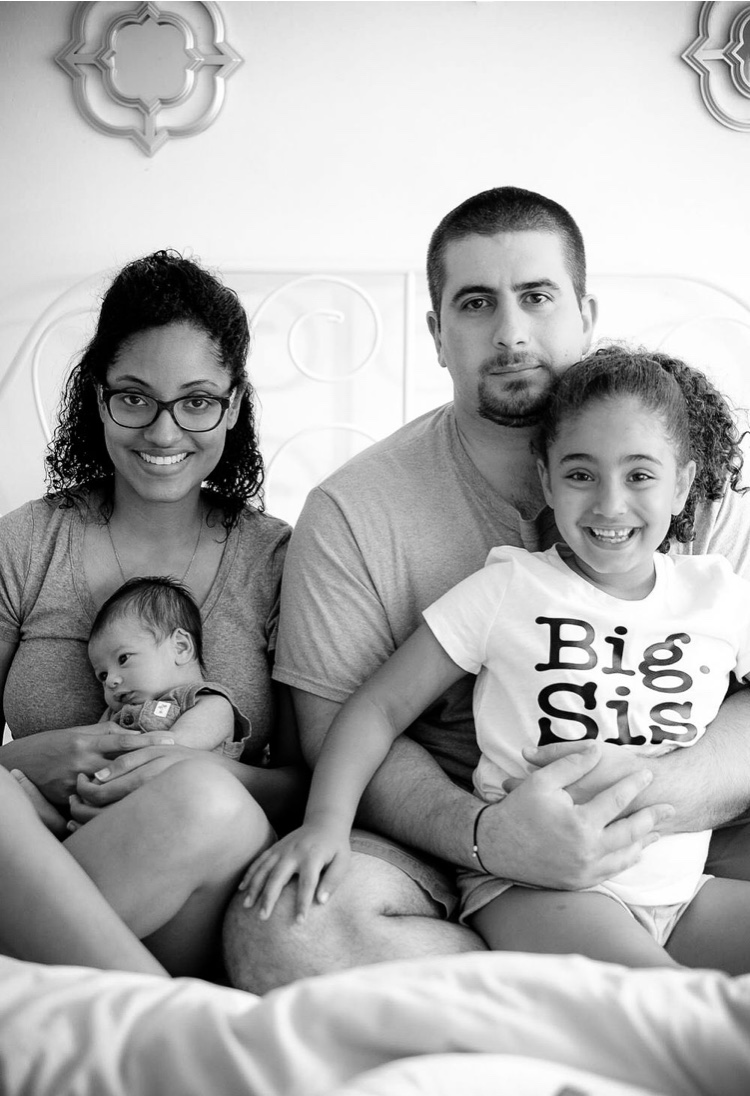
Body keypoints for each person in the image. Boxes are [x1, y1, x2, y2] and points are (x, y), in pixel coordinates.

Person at [222, 186, 750, 993]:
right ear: (437, 333)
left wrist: (631, 804)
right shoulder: (357, 513)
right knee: (287, 932)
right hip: (452, 850)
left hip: (679, 846)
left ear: (585, 314)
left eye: (537, 296)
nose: (510, 333)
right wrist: (490, 836)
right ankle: (623, 1001)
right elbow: (345, 729)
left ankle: (572, 1005)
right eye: (476, 304)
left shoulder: (694, 481)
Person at [0, 250, 306, 977]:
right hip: (37, 855)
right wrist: (28, 757)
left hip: (196, 875)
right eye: (135, 398)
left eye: (197, 401)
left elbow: (307, 785)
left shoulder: (277, 559)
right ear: (97, 396)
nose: (164, 434)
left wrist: (180, 767)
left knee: (206, 803)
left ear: (234, 404)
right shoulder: (26, 544)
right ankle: (163, 1018)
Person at [89, 576, 251, 758]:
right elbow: (90, 750)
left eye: (123, 658)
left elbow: (176, 749)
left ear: (180, 647)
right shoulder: (113, 715)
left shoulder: (213, 705)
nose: (110, 681)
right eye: (102, 675)